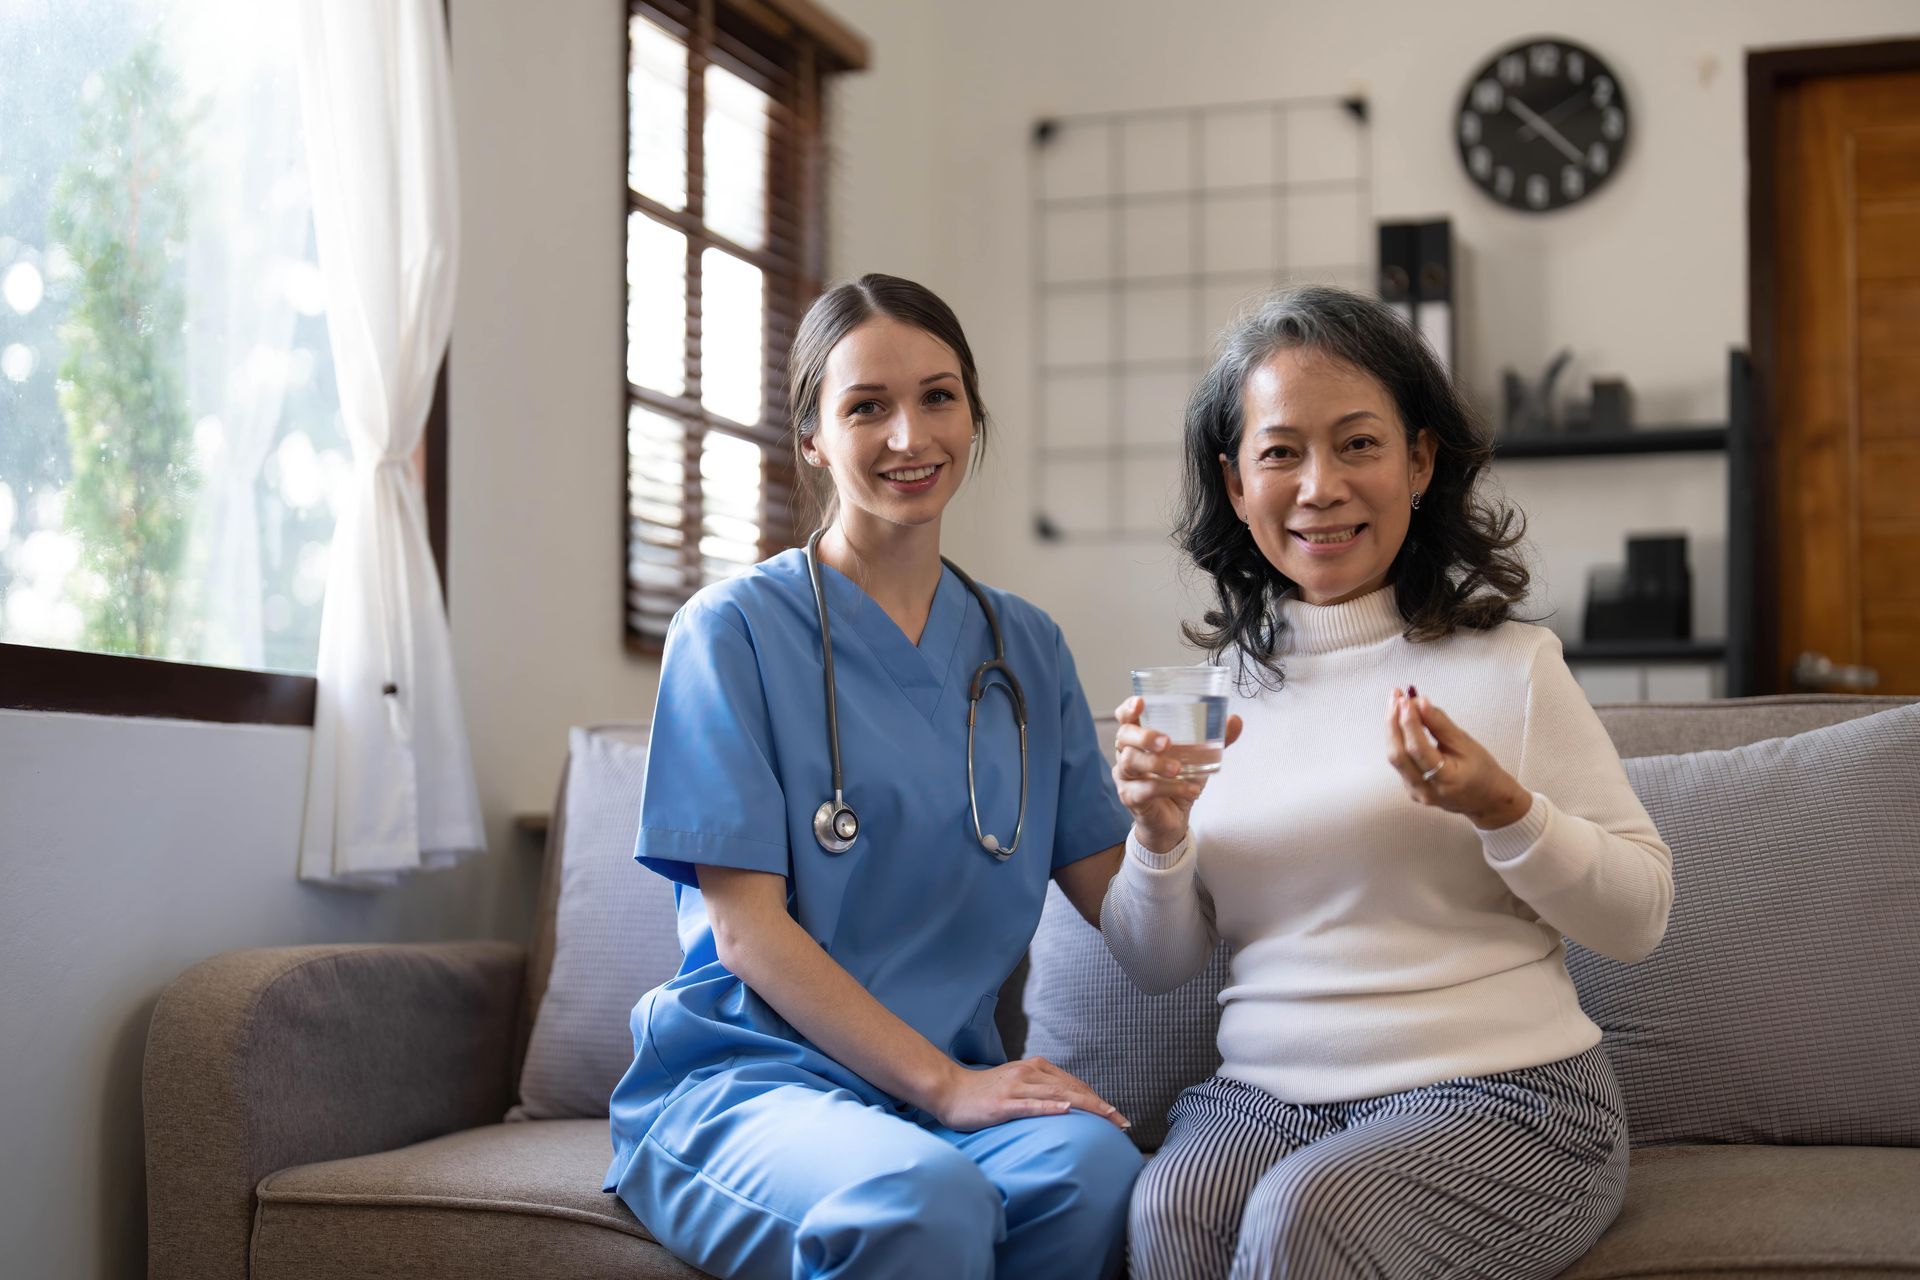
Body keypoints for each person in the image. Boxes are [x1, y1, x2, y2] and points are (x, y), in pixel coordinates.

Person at [1101, 286, 1674, 1280]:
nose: (1319, 485)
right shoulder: (1207, 697)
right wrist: (1157, 839)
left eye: (1357, 443)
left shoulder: (1511, 665)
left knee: (1301, 1217)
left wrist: (1504, 809)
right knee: (1171, 1208)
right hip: (1263, 1096)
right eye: (1281, 452)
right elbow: (1156, 966)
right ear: (1236, 483)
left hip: (1503, 1093)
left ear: (1418, 461)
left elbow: (1640, 917)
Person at [605, 273, 1142, 1280]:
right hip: (754, 1083)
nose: (910, 435)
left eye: (939, 396)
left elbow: (1126, 900)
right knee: (916, 1198)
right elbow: (745, 930)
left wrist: (1174, 820)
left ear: (974, 414)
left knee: (1094, 1167)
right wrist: (945, 1086)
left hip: (936, 1094)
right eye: (867, 406)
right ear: (812, 435)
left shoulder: (1024, 648)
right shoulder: (731, 635)